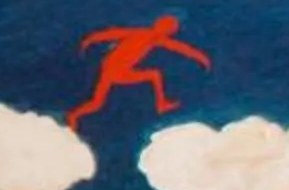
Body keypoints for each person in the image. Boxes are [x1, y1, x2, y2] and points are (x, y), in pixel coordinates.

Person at [67, 14, 211, 130]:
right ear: (160, 26)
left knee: (97, 102)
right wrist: (91, 39)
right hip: (112, 68)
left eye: (171, 29)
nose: (169, 32)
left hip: (119, 71)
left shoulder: (157, 41)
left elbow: (181, 48)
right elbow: (113, 33)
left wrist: (201, 58)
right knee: (153, 75)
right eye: (169, 27)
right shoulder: (140, 33)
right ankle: (74, 116)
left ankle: (74, 116)